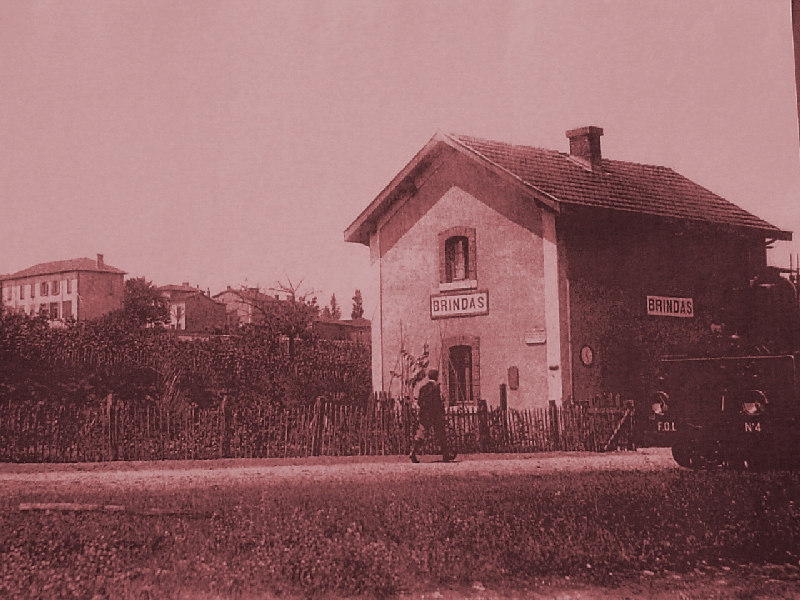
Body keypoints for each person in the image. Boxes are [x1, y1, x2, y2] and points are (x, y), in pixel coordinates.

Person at [409, 369, 456, 463]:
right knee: (441, 434)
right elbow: (437, 403)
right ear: (436, 377)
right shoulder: (435, 388)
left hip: (424, 415)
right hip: (435, 415)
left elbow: (419, 402)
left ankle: (413, 451)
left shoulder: (423, 388)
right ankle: (445, 455)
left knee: (420, 434)